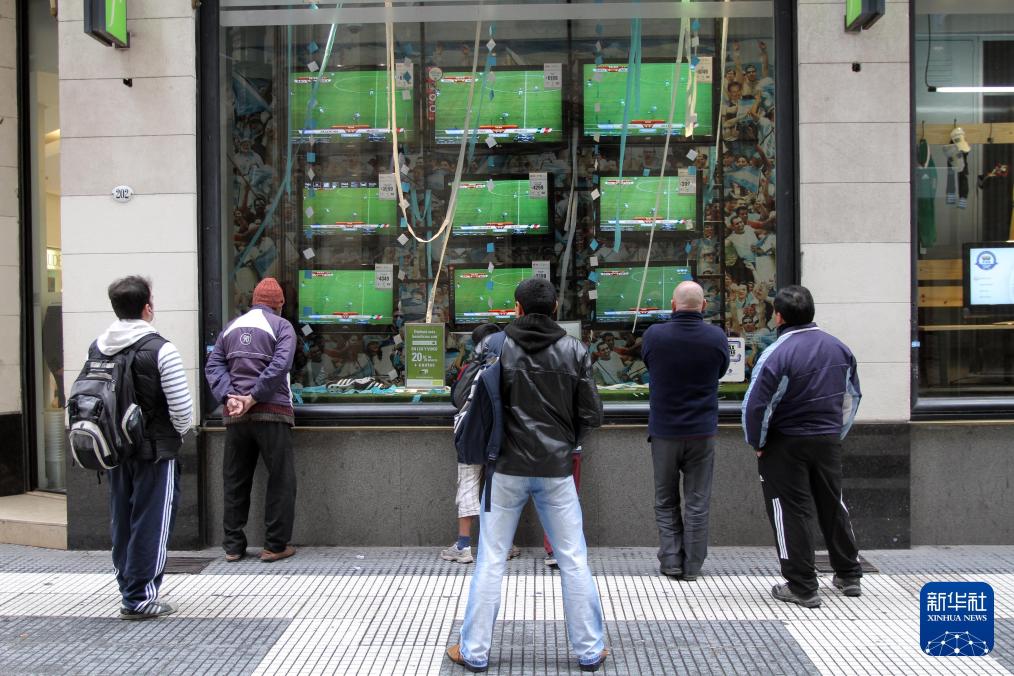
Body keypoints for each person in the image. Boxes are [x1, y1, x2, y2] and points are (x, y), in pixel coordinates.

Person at [446, 278, 608, 673]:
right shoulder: (574, 350)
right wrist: (565, 441)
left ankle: (474, 651)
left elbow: (462, 397)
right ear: (555, 309)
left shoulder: (494, 345)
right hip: (556, 468)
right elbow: (592, 414)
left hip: (505, 467)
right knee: (573, 559)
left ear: (516, 309)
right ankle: (589, 650)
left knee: (490, 560)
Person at [742, 285, 864, 608]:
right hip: (827, 439)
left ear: (779, 317)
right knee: (832, 503)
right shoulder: (839, 348)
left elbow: (756, 406)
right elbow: (851, 397)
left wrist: (757, 442)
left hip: (786, 442)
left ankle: (802, 586)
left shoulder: (777, 353)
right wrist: (835, 433)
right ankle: (849, 574)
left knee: (789, 510)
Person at [97, 276, 194, 619]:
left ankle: (127, 586)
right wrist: (176, 435)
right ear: (147, 307)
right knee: (152, 521)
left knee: (122, 519)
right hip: (155, 451)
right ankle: (139, 597)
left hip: (115, 449)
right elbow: (182, 410)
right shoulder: (161, 349)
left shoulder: (99, 346)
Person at [205, 277, 298, 563]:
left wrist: (230, 397)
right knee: (281, 479)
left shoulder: (231, 327)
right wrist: (255, 396)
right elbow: (280, 365)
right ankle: (275, 545)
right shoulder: (282, 326)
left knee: (235, 479)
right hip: (272, 412)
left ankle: (233, 546)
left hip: (236, 416)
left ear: (254, 301)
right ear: (279, 304)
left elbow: (213, 364)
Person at [641, 282, 729, 581]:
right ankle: (693, 565)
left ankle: (671, 560)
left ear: (672, 305)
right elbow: (720, 370)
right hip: (702, 431)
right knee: (697, 502)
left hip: (665, 431)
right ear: (703, 306)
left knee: (665, 499)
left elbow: (649, 364)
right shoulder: (716, 337)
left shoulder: (654, 335)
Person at [442, 323, 521, 565]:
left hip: (471, 435)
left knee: (468, 484)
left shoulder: (473, 366)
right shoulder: (511, 364)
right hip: (501, 434)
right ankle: (503, 545)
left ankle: (463, 546)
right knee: (497, 489)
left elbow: (458, 399)